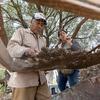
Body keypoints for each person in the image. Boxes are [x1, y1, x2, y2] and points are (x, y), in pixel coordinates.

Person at [7, 12, 51, 100]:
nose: (39, 26)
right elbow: (11, 48)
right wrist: (26, 50)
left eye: (42, 25)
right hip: (24, 80)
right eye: (37, 23)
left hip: (41, 80)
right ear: (31, 22)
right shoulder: (21, 32)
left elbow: (43, 57)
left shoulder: (42, 40)